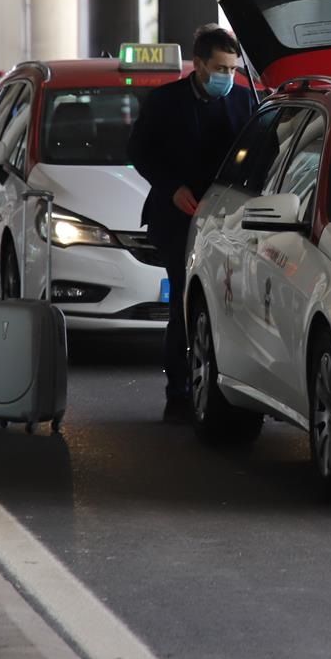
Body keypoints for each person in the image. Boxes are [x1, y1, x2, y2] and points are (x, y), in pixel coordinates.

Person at [127, 25, 258, 422]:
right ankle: (179, 388)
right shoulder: (166, 102)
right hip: (178, 219)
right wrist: (171, 187)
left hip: (228, 222)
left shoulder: (245, 101)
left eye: (233, 69)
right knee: (184, 301)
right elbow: (139, 151)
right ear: (198, 65)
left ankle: (226, 380)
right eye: (220, 68)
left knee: (227, 303)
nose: (227, 77)